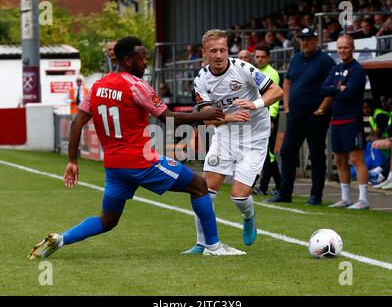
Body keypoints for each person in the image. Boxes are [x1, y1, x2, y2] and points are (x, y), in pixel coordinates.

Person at [28, 36, 246, 259]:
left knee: (108, 219)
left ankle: (61, 239)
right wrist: (203, 114)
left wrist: (72, 161)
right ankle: (214, 246)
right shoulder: (136, 86)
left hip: (114, 166)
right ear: (128, 60)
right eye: (142, 58)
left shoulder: (97, 86)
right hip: (140, 161)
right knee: (199, 185)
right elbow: (168, 118)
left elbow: (77, 123)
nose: (145, 63)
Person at [183, 29, 283, 254]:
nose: (218, 55)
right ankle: (201, 243)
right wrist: (229, 117)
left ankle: (249, 217)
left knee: (239, 195)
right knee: (204, 190)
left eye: (222, 50)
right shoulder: (201, 80)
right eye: (213, 51)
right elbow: (207, 120)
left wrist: (254, 105)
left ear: (228, 50)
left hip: (255, 137)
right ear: (204, 53)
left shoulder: (243, 68)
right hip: (225, 135)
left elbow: (276, 91)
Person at [266, 28, 336, 205]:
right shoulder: (296, 58)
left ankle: (315, 195)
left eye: (309, 39)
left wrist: (321, 110)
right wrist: (287, 106)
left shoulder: (325, 61)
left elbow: (332, 88)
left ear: (316, 40)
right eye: (302, 39)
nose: (305, 42)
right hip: (295, 116)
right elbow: (288, 82)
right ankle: (285, 192)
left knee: (316, 155)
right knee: (287, 152)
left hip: (315, 117)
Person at [320, 35, 369, 209]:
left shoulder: (357, 70)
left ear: (352, 48)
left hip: (352, 119)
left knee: (357, 159)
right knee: (339, 160)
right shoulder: (335, 69)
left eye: (345, 47)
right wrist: (337, 88)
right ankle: (346, 198)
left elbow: (348, 94)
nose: (342, 51)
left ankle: (363, 199)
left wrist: (335, 90)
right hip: (336, 121)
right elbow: (323, 89)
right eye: (339, 48)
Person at [253, 45, 281, 196]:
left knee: (267, 153)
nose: (259, 59)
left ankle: (263, 187)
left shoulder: (272, 73)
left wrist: (271, 119)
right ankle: (280, 185)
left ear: (268, 58)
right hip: (258, 118)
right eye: (257, 57)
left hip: (268, 119)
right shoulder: (256, 71)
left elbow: (274, 99)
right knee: (267, 153)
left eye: (262, 57)